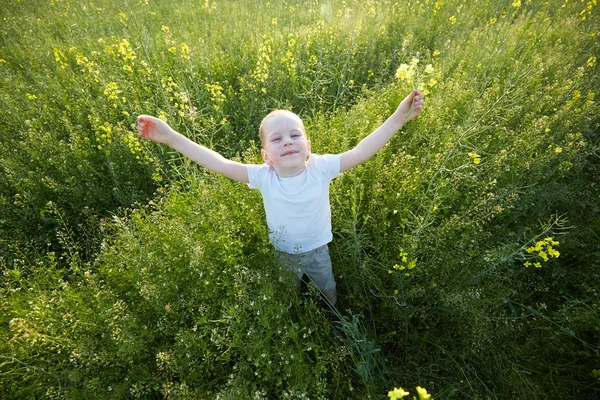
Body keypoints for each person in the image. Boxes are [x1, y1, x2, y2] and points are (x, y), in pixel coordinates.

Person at [137, 89, 424, 319]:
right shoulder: (264, 177)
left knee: (327, 286)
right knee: (288, 291)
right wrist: (171, 137)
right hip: (283, 252)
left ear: (308, 146)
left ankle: (334, 316)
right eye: (277, 139)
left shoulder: (320, 168)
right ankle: (293, 317)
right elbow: (218, 163)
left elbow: (361, 151)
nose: (288, 141)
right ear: (265, 155)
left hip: (317, 249)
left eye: (295, 135)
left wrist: (398, 118)